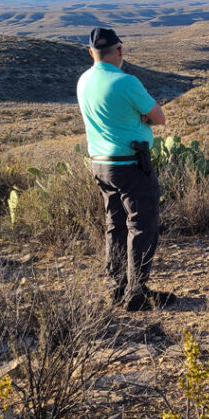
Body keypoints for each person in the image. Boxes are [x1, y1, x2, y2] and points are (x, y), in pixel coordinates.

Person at [77, 27, 167, 310]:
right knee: (142, 226)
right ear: (119, 51)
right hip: (130, 164)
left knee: (114, 225)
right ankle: (137, 294)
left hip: (100, 165)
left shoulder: (83, 80)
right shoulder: (127, 82)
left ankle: (118, 288)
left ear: (91, 53)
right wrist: (142, 117)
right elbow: (159, 117)